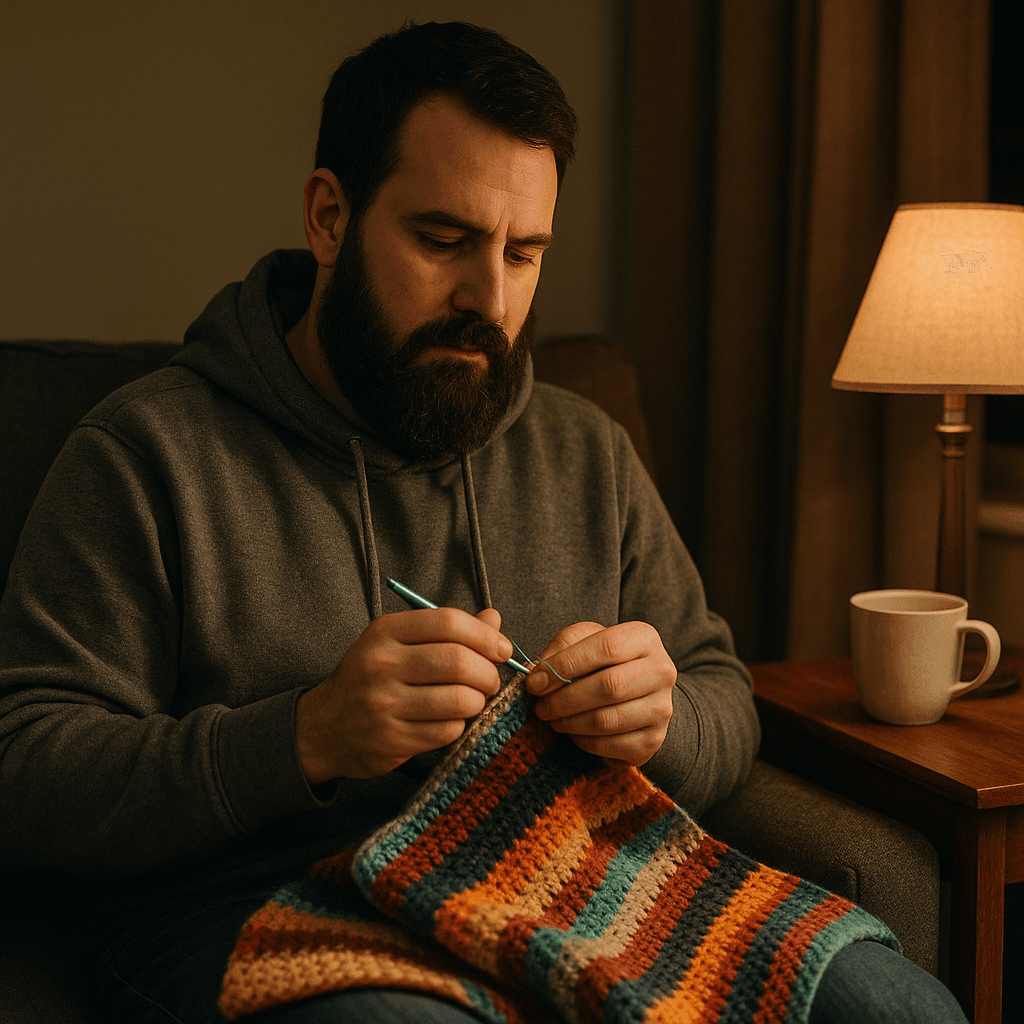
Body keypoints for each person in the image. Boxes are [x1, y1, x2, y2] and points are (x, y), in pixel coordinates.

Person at [0, 20, 967, 1024]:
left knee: (897, 1007)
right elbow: (23, 768)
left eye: (525, 252)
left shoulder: (584, 449)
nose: (489, 298)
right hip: (251, 907)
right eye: (443, 240)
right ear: (328, 217)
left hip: (562, 885)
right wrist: (304, 735)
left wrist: (661, 722)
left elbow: (723, 698)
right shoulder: (147, 451)